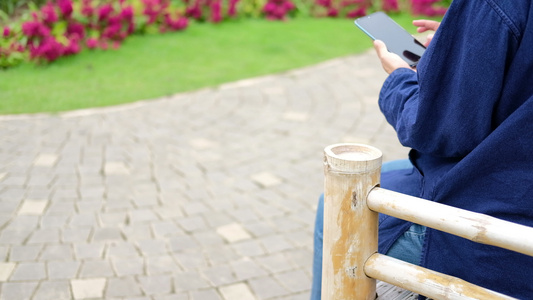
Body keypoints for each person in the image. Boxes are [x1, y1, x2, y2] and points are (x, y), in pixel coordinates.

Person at [311, 0, 533, 299]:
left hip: (501, 236)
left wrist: (400, 80)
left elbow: (441, 131)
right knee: (389, 175)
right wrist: (468, 46)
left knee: (336, 207)